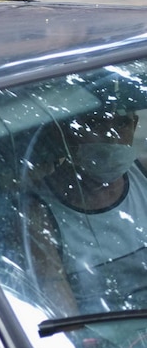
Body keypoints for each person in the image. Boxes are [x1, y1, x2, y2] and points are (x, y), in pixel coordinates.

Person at [27, 97, 147, 324]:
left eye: (122, 123)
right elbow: (66, 320)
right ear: (61, 132)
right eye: (95, 123)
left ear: (134, 125)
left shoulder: (145, 174)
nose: (111, 135)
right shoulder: (39, 213)